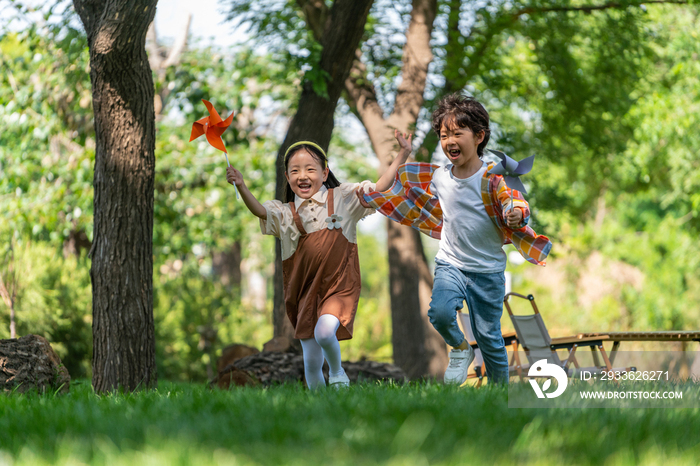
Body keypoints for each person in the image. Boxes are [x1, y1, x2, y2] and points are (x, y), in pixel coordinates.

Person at [360, 94, 551, 385]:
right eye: (444, 134)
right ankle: (461, 349)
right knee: (440, 312)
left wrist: (515, 213)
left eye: (457, 133)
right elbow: (398, 182)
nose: (449, 140)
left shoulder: (493, 176)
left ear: (479, 137)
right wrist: (374, 194)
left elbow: (514, 200)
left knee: (489, 337)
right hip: (451, 263)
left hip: (488, 271)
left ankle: (499, 394)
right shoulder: (439, 176)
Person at [226, 131, 412, 389]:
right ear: (287, 177)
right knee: (311, 362)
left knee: (325, 332)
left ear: (325, 173)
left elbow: (379, 188)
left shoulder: (345, 198)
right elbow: (259, 210)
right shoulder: (286, 213)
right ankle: (321, 406)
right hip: (304, 292)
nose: (302, 176)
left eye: (310, 169)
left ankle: (337, 373)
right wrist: (241, 185)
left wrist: (402, 153)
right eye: (295, 171)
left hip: (339, 285)